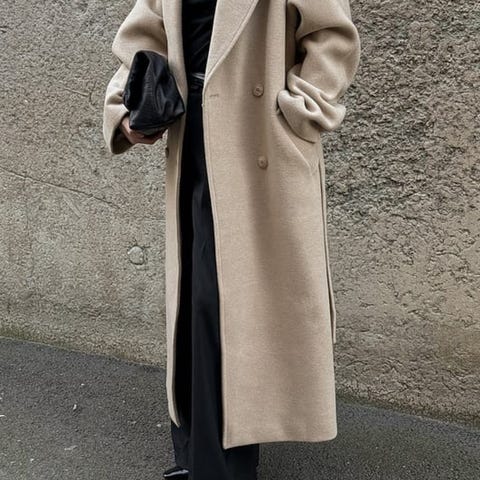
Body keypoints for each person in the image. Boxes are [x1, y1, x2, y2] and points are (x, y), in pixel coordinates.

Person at [103, 1, 361, 479]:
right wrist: (126, 106)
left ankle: (218, 467)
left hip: (256, 137)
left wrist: (301, 109)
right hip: (193, 137)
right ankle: (198, 457)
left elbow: (332, 35)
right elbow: (146, 32)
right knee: (195, 303)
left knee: (221, 302)